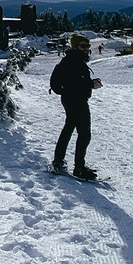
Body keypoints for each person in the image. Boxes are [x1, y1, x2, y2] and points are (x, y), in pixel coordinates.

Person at [50, 32, 98, 179]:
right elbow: (74, 83)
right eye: (83, 46)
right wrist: (90, 84)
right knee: (84, 134)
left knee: (69, 128)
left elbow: (67, 83)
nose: (86, 49)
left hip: (70, 100)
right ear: (75, 46)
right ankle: (79, 168)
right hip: (77, 101)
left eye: (88, 46)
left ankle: (58, 161)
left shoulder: (71, 60)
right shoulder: (73, 62)